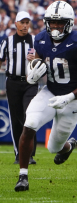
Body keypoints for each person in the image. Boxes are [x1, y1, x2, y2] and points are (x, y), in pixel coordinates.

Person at [14, 1, 77, 191]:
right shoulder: (41, 39)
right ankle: (23, 177)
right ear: (47, 22)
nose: (56, 26)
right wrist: (32, 72)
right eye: (53, 22)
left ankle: (68, 147)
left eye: (60, 23)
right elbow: (36, 64)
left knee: (54, 147)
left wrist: (69, 97)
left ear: (69, 23)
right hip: (50, 93)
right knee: (30, 125)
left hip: (72, 99)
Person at [0, 11, 38, 164]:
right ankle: (19, 154)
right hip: (13, 82)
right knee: (16, 119)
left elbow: (44, 60)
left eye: (27, 22)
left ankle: (29, 154)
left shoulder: (36, 40)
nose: (25, 26)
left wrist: (36, 59)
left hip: (31, 82)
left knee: (30, 116)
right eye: (22, 22)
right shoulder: (7, 41)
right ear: (15, 24)